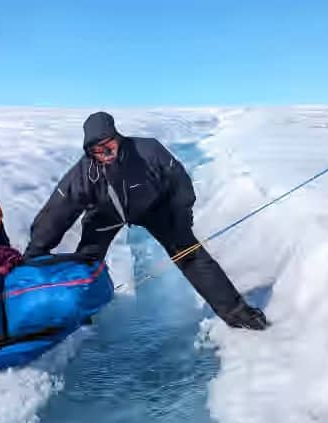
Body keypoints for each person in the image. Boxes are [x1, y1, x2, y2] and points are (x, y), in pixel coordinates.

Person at [24, 111, 269, 330]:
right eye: (98, 151)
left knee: (190, 254)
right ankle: (83, 312)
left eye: (109, 145)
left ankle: (236, 311)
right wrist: (37, 249)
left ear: (117, 137)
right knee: (87, 260)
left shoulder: (148, 150)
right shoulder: (84, 173)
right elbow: (57, 210)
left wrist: (181, 218)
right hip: (106, 214)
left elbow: (180, 183)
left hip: (155, 207)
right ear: (90, 152)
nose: (106, 154)